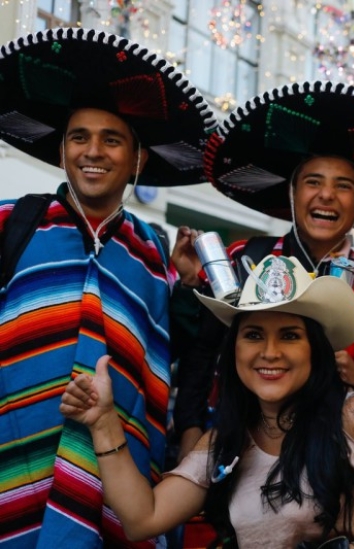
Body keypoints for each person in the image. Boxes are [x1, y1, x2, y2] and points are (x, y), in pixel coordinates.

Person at [59, 255, 354, 549]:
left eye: (289, 335)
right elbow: (141, 519)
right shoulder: (226, 440)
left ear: (315, 350)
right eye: (253, 334)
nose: (269, 352)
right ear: (233, 349)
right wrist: (103, 423)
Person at [0, 28, 215, 547]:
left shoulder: (151, 251)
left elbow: (167, 359)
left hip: (115, 477)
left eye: (112, 139)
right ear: (61, 151)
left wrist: (187, 287)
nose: (92, 152)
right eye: (79, 138)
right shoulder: (12, 223)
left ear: (137, 158)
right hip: (15, 463)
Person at [171, 81, 354, 458]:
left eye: (344, 186)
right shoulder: (242, 259)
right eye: (313, 182)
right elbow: (198, 354)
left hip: (339, 472)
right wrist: (191, 438)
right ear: (292, 193)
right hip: (233, 458)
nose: (326, 195)